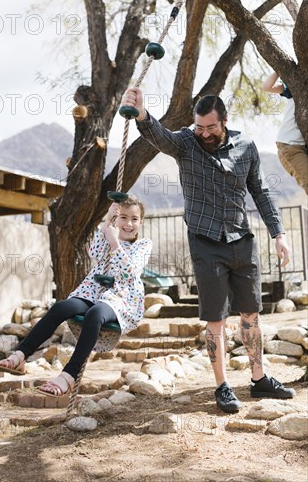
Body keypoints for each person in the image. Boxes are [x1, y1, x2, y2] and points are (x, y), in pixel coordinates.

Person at [121, 88, 296, 413]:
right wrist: (142, 113)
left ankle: (259, 380)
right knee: (215, 320)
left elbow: (260, 191)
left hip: (242, 241)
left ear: (224, 122)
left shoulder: (246, 146)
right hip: (205, 242)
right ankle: (223, 386)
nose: (203, 133)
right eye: (199, 127)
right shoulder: (186, 143)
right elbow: (160, 136)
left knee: (251, 315)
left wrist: (279, 234)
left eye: (210, 128)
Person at [0, 196, 152, 396]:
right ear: (116, 218)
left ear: (141, 222)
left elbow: (129, 272)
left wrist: (115, 242)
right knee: (62, 307)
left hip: (120, 299)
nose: (128, 223)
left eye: (134, 219)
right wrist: (106, 224)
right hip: (93, 292)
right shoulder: (108, 233)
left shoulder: (143, 245)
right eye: (123, 217)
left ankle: (69, 375)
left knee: (95, 314)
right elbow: (94, 252)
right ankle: (20, 356)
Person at [262, 71, 308, 194]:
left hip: (303, 147)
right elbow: (267, 87)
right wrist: (279, 69)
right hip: (290, 146)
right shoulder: (298, 87)